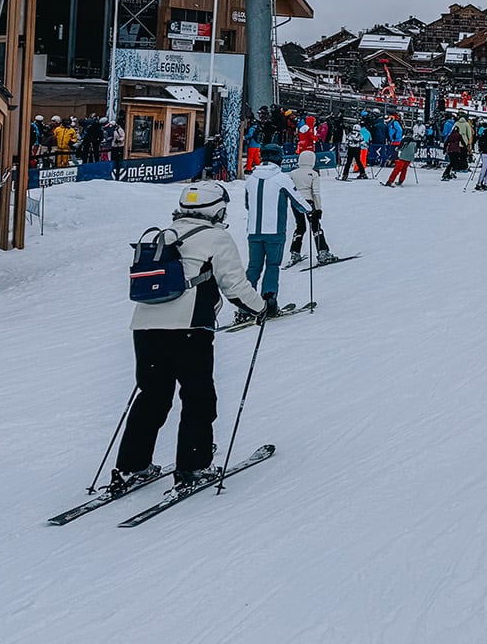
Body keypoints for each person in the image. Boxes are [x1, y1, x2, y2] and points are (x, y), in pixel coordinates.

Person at [111, 182, 268, 491]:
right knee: (198, 398)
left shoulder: (165, 235)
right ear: (217, 209)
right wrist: (260, 308)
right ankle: (193, 467)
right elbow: (234, 286)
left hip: (145, 327)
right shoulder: (217, 238)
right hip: (189, 330)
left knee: (151, 398)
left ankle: (131, 467)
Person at [242, 160, 310, 319]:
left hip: (254, 230)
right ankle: (268, 302)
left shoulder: (251, 179)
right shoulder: (281, 178)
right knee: (272, 265)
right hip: (275, 230)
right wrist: (310, 210)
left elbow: (247, 205)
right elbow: (298, 200)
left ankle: (245, 307)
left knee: (254, 267)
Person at [287, 144, 330, 267]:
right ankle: (322, 252)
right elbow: (316, 193)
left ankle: (295, 252)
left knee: (300, 227)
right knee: (316, 226)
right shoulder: (313, 174)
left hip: (296, 202)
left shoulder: (293, 173)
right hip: (309, 202)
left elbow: (290, 189)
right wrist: (318, 208)